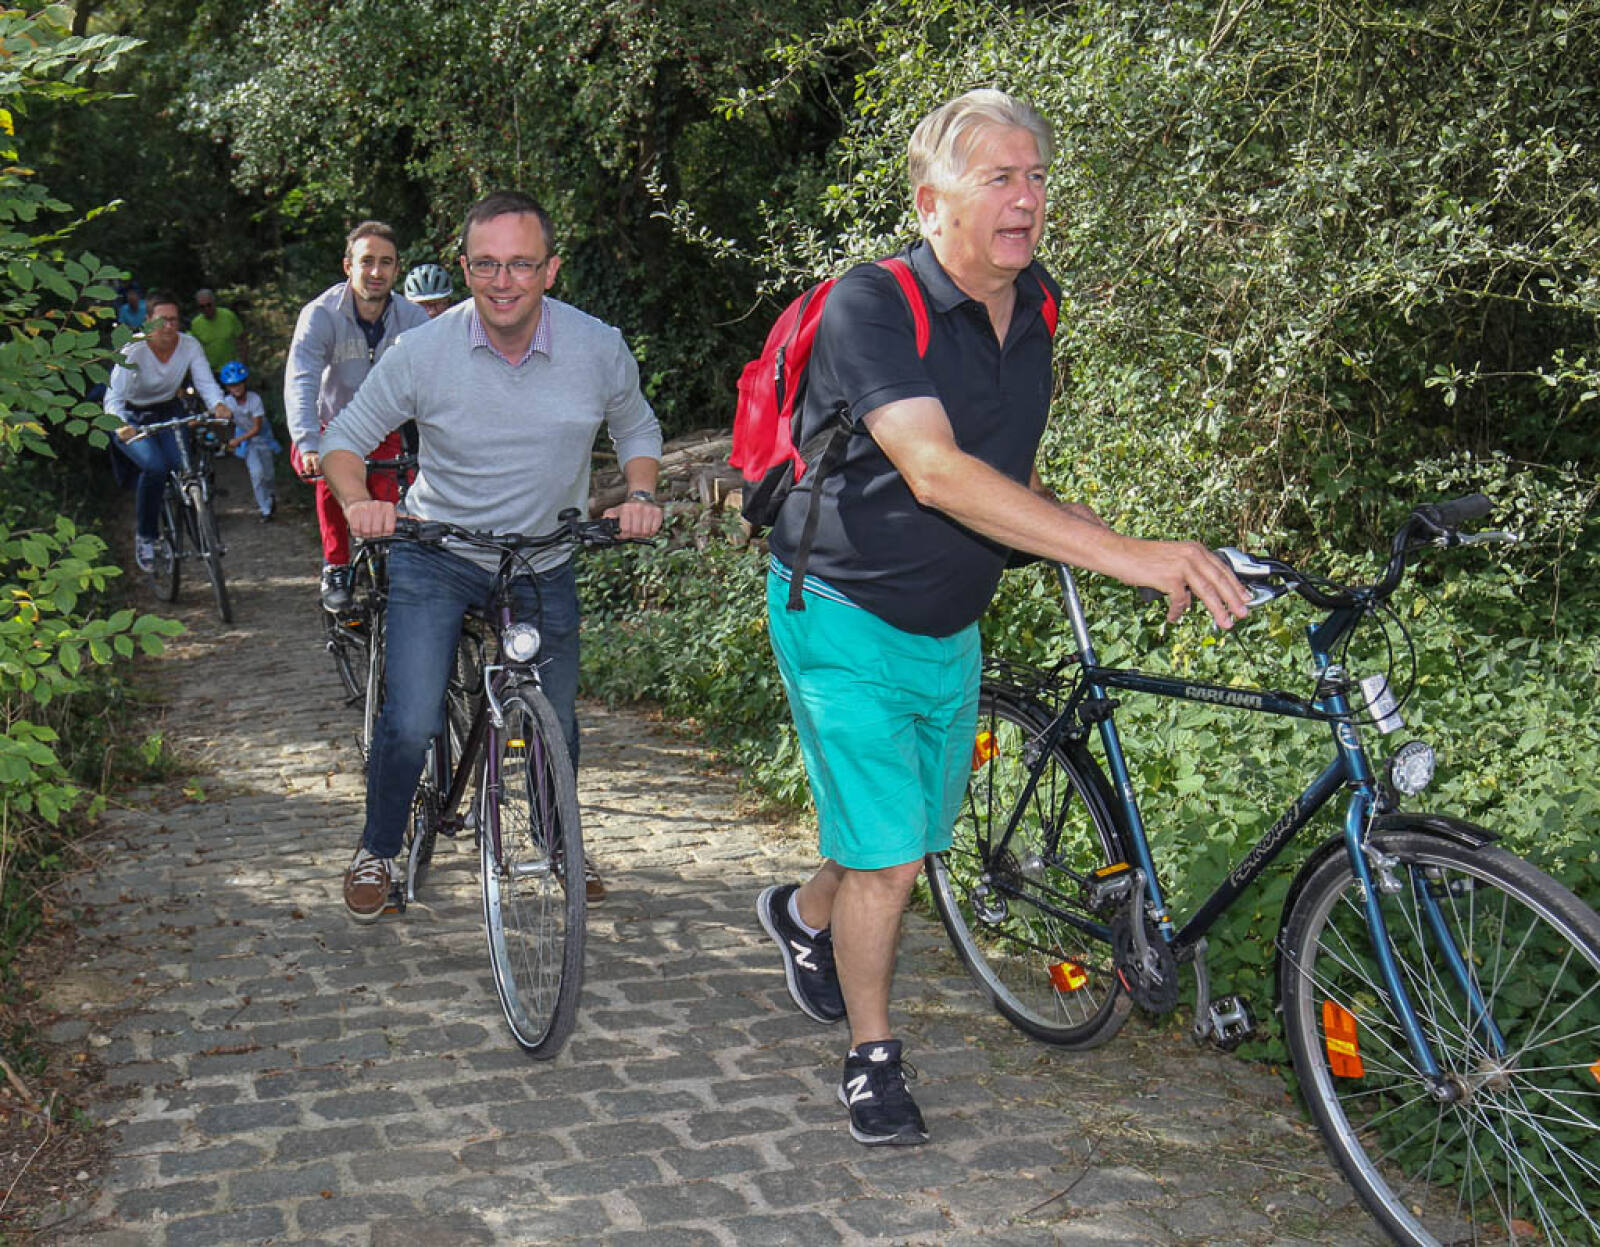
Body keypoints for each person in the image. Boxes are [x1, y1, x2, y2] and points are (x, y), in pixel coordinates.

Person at [752, 90, 1251, 1148]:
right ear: (931, 203)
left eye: (1035, 177)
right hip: (839, 604)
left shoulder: (1037, 308)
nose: (1026, 198)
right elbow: (935, 471)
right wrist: (1127, 552)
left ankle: (801, 914)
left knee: (908, 830)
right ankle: (872, 1058)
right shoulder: (870, 305)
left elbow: (1005, 474)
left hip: (950, 617)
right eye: (999, 179)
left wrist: (1115, 544)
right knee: (892, 856)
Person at [320, 190, 664, 922]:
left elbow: (636, 426)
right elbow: (343, 442)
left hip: (541, 556)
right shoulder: (423, 353)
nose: (503, 282)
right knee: (413, 716)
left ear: (551, 269)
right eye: (485, 265)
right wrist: (357, 504)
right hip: (438, 552)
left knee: (556, 718)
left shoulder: (596, 346)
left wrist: (639, 492)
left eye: (521, 264)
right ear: (465, 266)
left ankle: (559, 841)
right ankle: (378, 848)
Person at [285, 221, 430, 612]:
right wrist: (307, 442)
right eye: (367, 261)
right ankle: (336, 565)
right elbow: (301, 379)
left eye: (386, 262)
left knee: (394, 500)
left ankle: (393, 565)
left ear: (396, 269)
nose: (376, 271)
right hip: (331, 424)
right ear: (348, 266)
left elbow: (438, 379)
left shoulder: (413, 319)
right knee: (329, 477)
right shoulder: (320, 314)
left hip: (384, 427)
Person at [104, 290, 231, 570]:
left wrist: (218, 405)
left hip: (169, 409)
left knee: (183, 467)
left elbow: (206, 383)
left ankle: (199, 527)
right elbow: (113, 397)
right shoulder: (133, 349)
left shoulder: (189, 345)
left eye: (173, 320)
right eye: (161, 321)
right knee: (155, 467)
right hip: (133, 415)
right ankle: (146, 537)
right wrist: (121, 424)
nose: (168, 327)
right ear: (148, 322)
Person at [219, 361, 279, 522]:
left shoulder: (255, 399)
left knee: (268, 474)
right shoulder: (227, 402)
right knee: (256, 473)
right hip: (248, 442)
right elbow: (219, 418)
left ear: (244, 383)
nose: (236, 388)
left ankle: (271, 495)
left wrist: (237, 440)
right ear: (227, 387)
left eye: (238, 384)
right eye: (232, 385)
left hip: (261, 438)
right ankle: (265, 509)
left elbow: (256, 428)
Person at [190, 289, 248, 372]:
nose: (206, 308)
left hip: (232, 368)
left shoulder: (228, 315)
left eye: (209, 305)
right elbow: (193, 350)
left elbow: (243, 339)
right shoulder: (195, 324)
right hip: (210, 371)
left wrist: (243, 362)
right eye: (202, 307)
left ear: (214, 303)